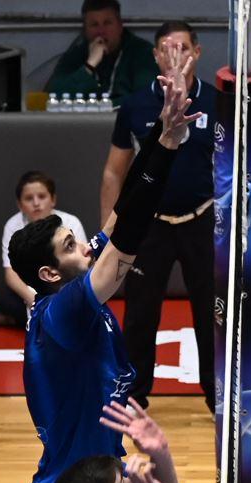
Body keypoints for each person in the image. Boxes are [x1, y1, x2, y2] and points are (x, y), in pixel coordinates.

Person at [10, 48, 199, 483]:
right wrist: (168, 149)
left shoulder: (66, 291)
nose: (86, 246)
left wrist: (162, 138)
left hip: (100, 482)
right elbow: (127, 241)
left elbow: (120, 216)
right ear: (50, 273)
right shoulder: (63, 311)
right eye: (72, 246)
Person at [100, 21, 216, 414]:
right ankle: (134, 396)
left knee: (211, 312)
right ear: (155, 56)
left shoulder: (218, 102)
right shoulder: (135, 106)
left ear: (197, 52)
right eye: (167, 48)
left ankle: (217, 394)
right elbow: (114, 172)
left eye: (182, 48)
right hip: (149, 224)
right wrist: (107, 235)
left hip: (202, 219)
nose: (175, 56)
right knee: (140, 313)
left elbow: (236, 169)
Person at [0, 171, 86, 329]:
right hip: (33, 288)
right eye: (29, 198)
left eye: (42, 196)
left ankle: (8, 320)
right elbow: (11, 274)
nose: (36, 203)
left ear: (53, 199)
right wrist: (33, 300)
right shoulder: (13, 226)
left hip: (65, 283)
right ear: (20, 205)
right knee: (5, 299)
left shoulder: (71, 222)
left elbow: (83, 265)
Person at [45, 0, 157, 104]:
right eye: (94, 24)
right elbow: (53, 97)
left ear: (120, 26)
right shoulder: (75, 55)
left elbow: (146, 98)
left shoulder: (142, 53)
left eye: (107, 23)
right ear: (85, 30)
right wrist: (89, 66)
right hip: (82, 119)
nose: (101, 31)